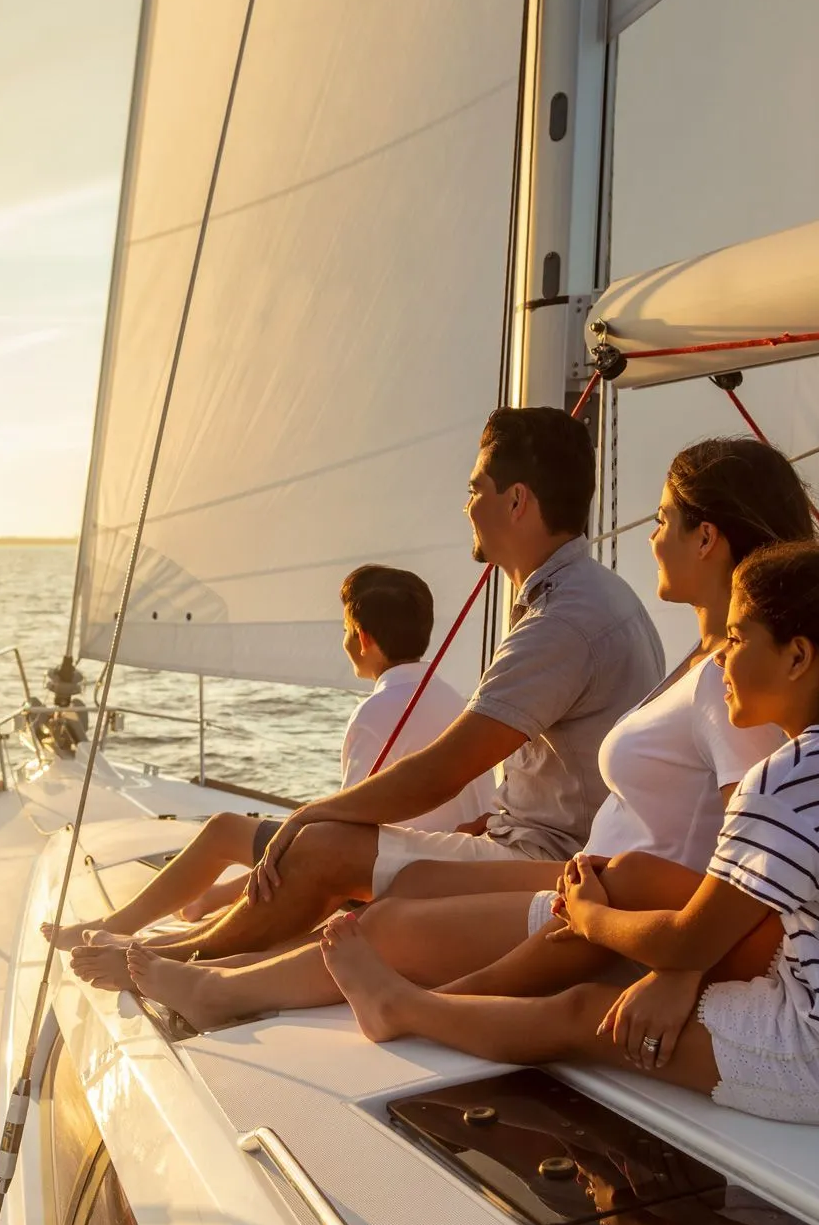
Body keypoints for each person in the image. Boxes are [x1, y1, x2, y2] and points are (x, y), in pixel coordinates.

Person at [322, 540, 819, 1127]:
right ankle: (466, 994)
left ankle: (402, 1007)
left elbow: (689, 941)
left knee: (581, 1012)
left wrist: (593, 918)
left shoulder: (793, 776)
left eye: (737, 637)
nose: (718, 658)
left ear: (798, 657)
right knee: (639, 878)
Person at [125, 437, 814, 1029]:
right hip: (597, 875)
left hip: (623, 903)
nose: (651, 534)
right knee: (414, 882)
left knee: (381, 913)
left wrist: (680, 966)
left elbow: (749, 842)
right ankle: (232, 964)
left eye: (664, 518)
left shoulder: (729, 677)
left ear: (706, 538)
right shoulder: (698, 660)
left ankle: (220, 987)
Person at [72, 405, 663, 981]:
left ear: (516, 501)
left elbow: (443, 772)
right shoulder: (595, 598)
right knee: (334, 850)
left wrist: (315, 812)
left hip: (553, 866)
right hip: (556, 847)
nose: (466, 506)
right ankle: (187, 947)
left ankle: (178, 961)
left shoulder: (559, 621)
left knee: (322, 847)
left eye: (475, 488)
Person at [44, 564, 492, 947]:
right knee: (284, 841)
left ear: (362, 637)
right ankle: (208, 899)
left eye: (344, 631)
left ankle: (116, 926)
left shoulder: (376, 713)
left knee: (223, 830)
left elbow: (339, 837)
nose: (343, 641)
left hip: (386, 874)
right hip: (445, 867)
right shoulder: (459, 701)